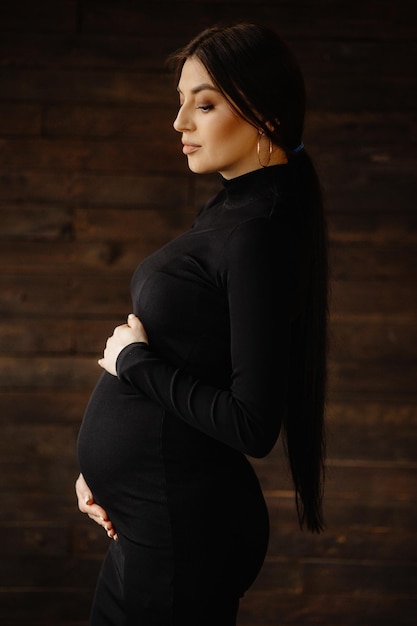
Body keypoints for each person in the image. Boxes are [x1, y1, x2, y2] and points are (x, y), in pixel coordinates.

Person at [75, 21, 328, 626]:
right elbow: (194, 355)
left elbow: (252, 424)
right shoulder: (230, 208)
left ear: (263, 112)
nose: (179, 121)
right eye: (180, 101)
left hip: (182, 530)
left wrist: (133, 365)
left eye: (204, 103)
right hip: (148, 521)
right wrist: (99, 469)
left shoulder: (260, 231)